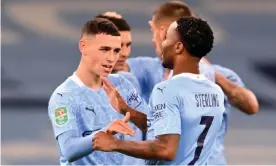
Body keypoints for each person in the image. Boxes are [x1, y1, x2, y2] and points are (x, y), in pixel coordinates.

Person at [93, 17, 225, 165]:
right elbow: (172, 128)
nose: (162, 43)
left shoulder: (167, 90)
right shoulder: (215, 92)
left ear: (178, 47)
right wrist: (127, 110)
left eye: (167, 38)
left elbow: (165, 149)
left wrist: (115, 144)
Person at [48, 18, 148, 165]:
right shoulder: (63, 96)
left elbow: (153, 126)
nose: (111, 58)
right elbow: (69, 149)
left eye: (116, 51)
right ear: (83, 46)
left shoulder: (122, 85)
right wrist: (105, 133)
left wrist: (128, 110)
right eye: (105, 49)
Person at [95, 13, 141, 94]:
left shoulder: (129, 81)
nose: (125, 53)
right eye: (119, 46)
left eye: (128, 45)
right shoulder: (72, 90)